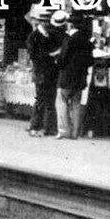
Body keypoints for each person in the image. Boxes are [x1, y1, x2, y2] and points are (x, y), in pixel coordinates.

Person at [54, 11, 93, 139]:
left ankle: (64, 130)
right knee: (76, 103)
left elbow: (62, 59)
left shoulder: (69, 40)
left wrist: (57, 62)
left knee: (61, 101)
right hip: (80, 77)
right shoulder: (87, 41)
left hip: (66, 77)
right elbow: (90, 60)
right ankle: (75, 132)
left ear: (71, 25)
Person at [25, 7, 63, 137]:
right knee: (41, 100)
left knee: (49, 100)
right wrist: (52, 55)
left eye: (49, 22)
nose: (48, 25)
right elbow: (35, 56)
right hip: (41, 72)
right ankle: (35, 125)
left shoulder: (50, 34)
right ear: (41, 22)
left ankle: (48, 127)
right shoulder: (34, 36)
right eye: (45, 22)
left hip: (51, 73)